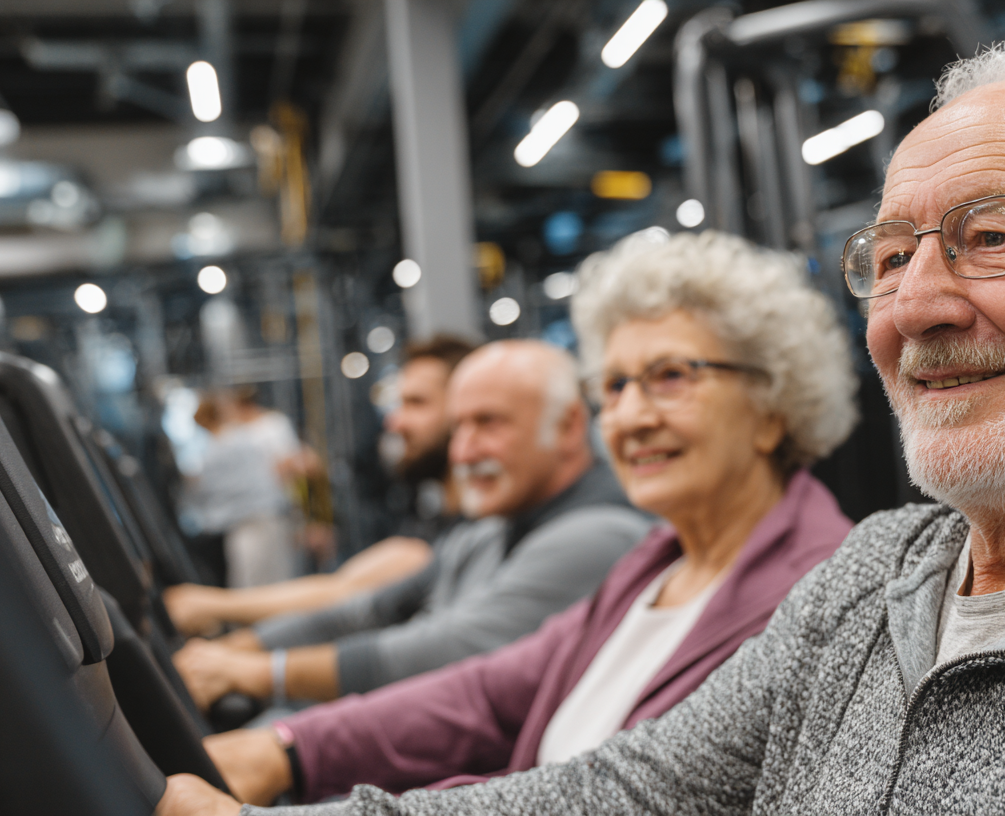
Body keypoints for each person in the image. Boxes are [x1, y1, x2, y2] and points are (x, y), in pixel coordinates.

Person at [161, 45, 1005, 816]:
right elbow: (631, 792)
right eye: (889, 256)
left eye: (991, 238)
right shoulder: (881, 574)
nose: (919, 305)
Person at [163, 231, 859, 808]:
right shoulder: (656, 563)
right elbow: (488, 695)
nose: (632, 416)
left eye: (672, 376)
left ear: (771, 407)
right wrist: (289, 750)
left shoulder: (813, 592)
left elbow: (604, 798)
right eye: (614, 386)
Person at [171, 340, 651, 712]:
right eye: (460, 426)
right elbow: (361, 610)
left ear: (568, 427)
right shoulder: (485, 531)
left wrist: (265, 688)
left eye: (488, 423)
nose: (462, 450)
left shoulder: (596, 533)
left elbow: (441, 652)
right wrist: (236, 654)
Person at [163, 336, 476, 637]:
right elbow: (344, 586)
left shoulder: (464, 535)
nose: (394, 422)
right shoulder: (438, 522)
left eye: (417, 403)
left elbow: (344, 593)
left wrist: (223, 618)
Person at [186, 391, 301, 588]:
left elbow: (204, 490)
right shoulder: (234, 441)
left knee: (255, 584)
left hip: (252, 522)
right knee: (272, 580)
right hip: (260, 519)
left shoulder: (224, 446)